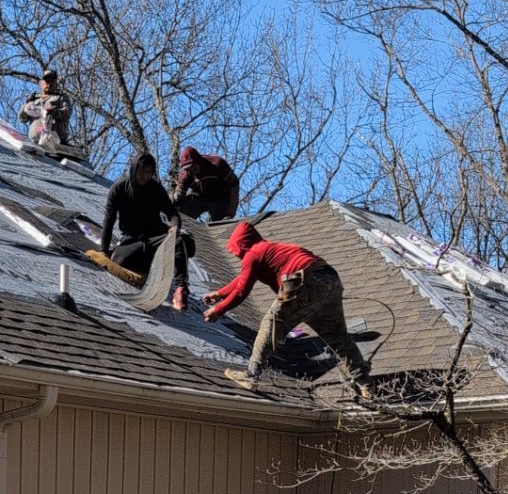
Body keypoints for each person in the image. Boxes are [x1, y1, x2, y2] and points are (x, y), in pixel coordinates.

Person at [204, 220, 371, 396]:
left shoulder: (253, 254)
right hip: (329, 280)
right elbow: (243, 279)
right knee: (338, 337)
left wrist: (218, 310)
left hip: (304, 282)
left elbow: (242, 291)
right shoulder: (268, 249)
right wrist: (220, 294)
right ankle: (365, 383)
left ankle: (251, 375)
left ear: (240, 245)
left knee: (272, 322)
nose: (237, 257)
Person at [100, 150, 195, 311]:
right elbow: (109, 221)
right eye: (142, 171)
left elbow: (172, 213)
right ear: (134, 169)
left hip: (154, 239)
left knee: (182, 242)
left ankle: (181, 289)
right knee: (121, 259)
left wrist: (174, 227)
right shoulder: (119, 189)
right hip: (132, 241)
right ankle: (149, 264)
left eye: (149, 173)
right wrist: (103, 250)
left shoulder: (155, 189)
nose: (145, 176)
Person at [172, 145, 240, 221]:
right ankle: (182, 225)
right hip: (200, 198)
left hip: (221, 199)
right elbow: (178, 196)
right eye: (188, 169)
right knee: (181, 211)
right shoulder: (185, 175)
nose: (192, 170)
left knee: (220, 225)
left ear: (199, 161)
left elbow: (234, 185)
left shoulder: (217, 164)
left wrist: (230, 213)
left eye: (193, 166)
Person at [19, 70, 73, 152]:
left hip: (54, 141)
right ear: (41, 83)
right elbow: (22, 119)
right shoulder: (33, 99)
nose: (49, 84)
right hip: (35, 142)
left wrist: (53, 112)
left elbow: (67, 113)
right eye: (47, 81)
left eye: (52, 81)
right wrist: (25, 109)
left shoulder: (61, 97)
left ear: (56, 84)